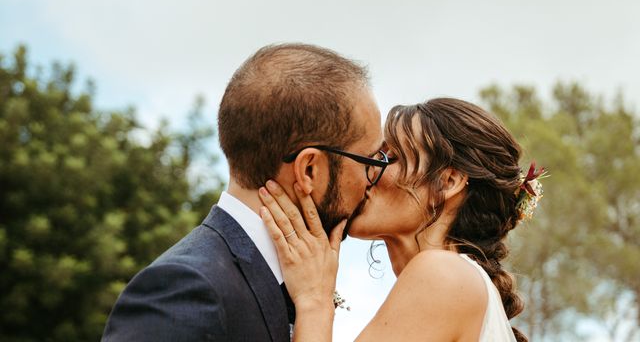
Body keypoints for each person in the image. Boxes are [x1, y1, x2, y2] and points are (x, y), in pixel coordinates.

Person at [102, 43, 388, 341]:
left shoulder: (297, 281)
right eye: (370, 161)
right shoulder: (183, 292)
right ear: (309, 171)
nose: (375, 180)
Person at [259, 98, 545, 342]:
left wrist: (315, 302)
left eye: (389, 157)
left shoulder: (444, 274)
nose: (368, 171)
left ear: (448, 182)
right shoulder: (460, 281)